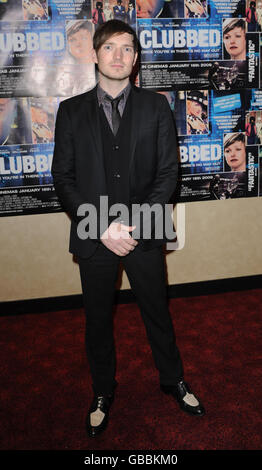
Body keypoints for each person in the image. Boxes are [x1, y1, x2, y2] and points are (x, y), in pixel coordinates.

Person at [52, 19, 205, 439]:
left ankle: (172, 378)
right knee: (97, 320)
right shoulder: (70, 111)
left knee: (158, 312)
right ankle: (102, 390)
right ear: (95, 54)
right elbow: (63, 179)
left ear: (135, 59)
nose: (118, 56)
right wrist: (102, 227)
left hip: (146, 229)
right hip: (92, 232)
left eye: (127, 49)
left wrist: (135, 224)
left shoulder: (157, 107)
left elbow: (168, 174)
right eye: (110, 48)